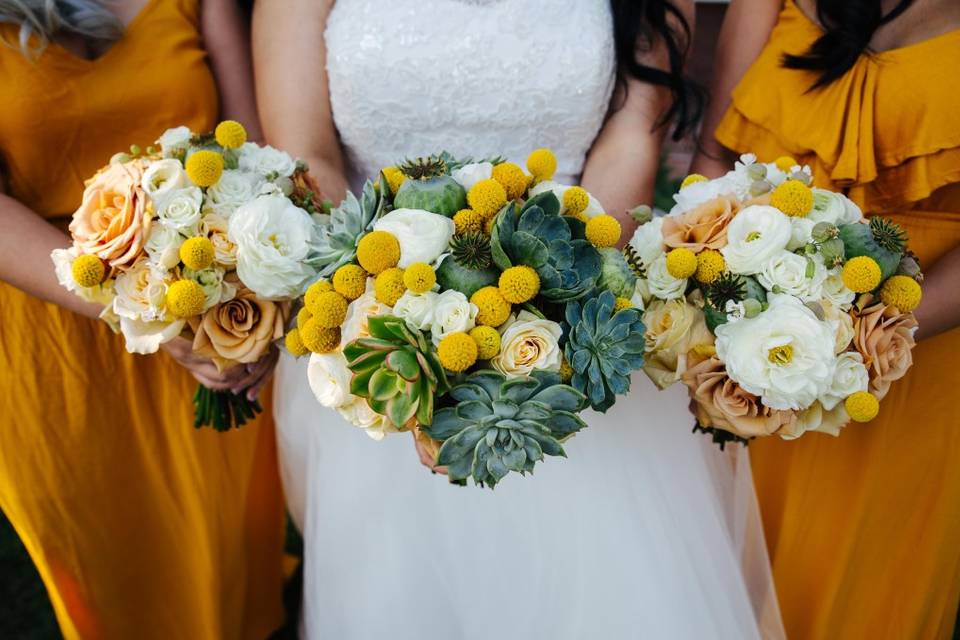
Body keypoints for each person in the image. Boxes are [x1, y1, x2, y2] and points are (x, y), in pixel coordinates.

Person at [255, 1, 784, 637]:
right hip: (382, 334)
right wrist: (393, 314)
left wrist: (549, 310)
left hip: (569, 313)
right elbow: (307, 153)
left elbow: (628, 140)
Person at [0, 1, 285, 637]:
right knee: (112, 564)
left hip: (211, 305)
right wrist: (140, 313)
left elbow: (252, 144)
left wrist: (258, 299)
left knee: (231, 539)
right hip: (61, 338)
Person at [691, 0, 960, 637]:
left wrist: (856, 337)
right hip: (735, 364)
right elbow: (713, 158)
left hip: (904, 376)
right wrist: (714, 298)